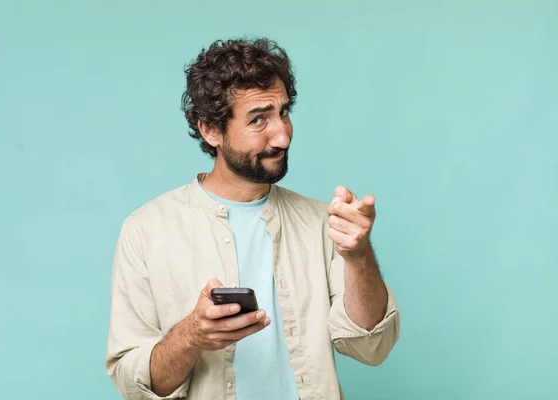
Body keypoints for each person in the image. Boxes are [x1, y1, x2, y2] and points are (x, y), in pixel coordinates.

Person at [105, 37, 400, 400]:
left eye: (284, 112)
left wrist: (358, 256)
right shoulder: (145, 231)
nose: (283, 135)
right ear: (210, 130)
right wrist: (192, 336)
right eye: (259, 119)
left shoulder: (321, 223)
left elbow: (372, 347)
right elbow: (135, 385)